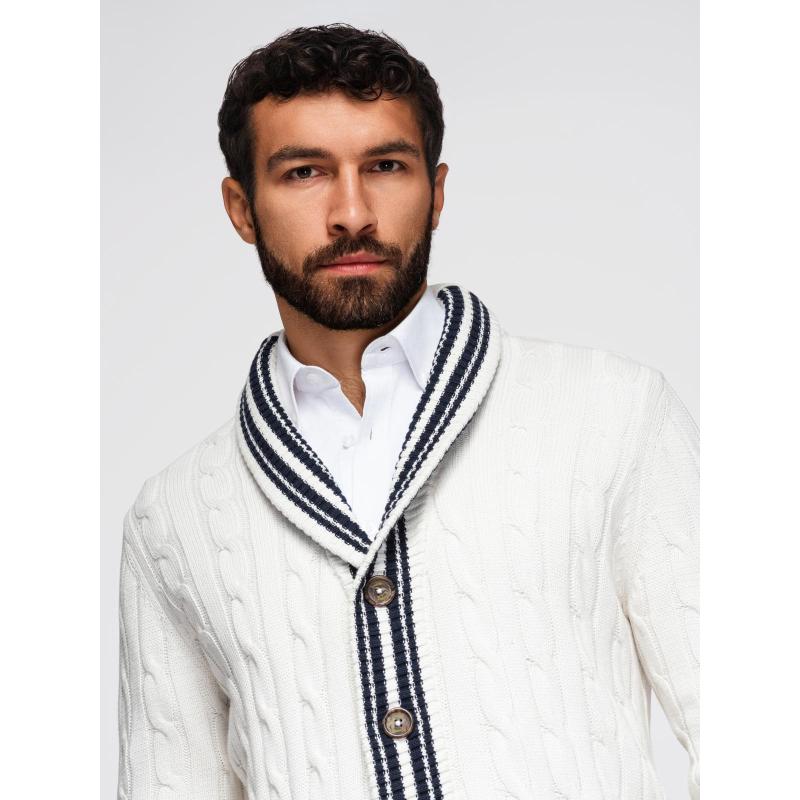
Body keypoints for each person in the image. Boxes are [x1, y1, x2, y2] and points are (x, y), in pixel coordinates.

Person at [117, 23, 699, 800]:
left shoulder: (614, 414)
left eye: (385, 166)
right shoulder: (175, 519)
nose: (352, 212)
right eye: (304, 172)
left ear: (438, 192)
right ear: (241, 208)